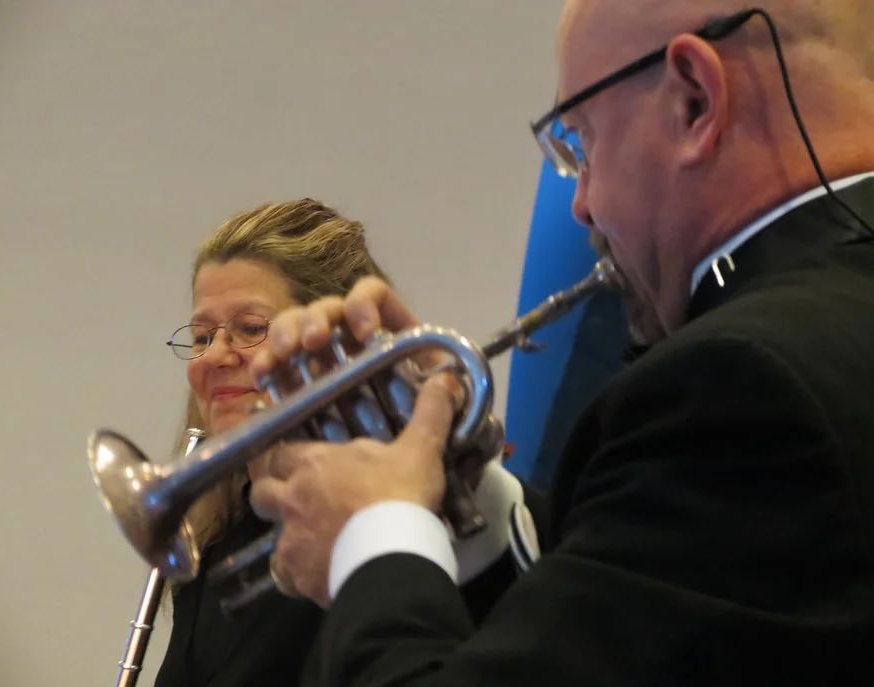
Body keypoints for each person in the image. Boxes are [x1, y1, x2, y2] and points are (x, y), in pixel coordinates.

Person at [246, 1, 874, 685]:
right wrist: (458, 503)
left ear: (694, 99)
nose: (580, 204)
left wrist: (372, 536)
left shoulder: (743, 385)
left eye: (580, 143)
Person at [152, 198, 532, 686]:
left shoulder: (424, 524)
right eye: (202, 337)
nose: (214, 357)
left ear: (336, 340)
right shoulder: (211, 546)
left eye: (250, 329)